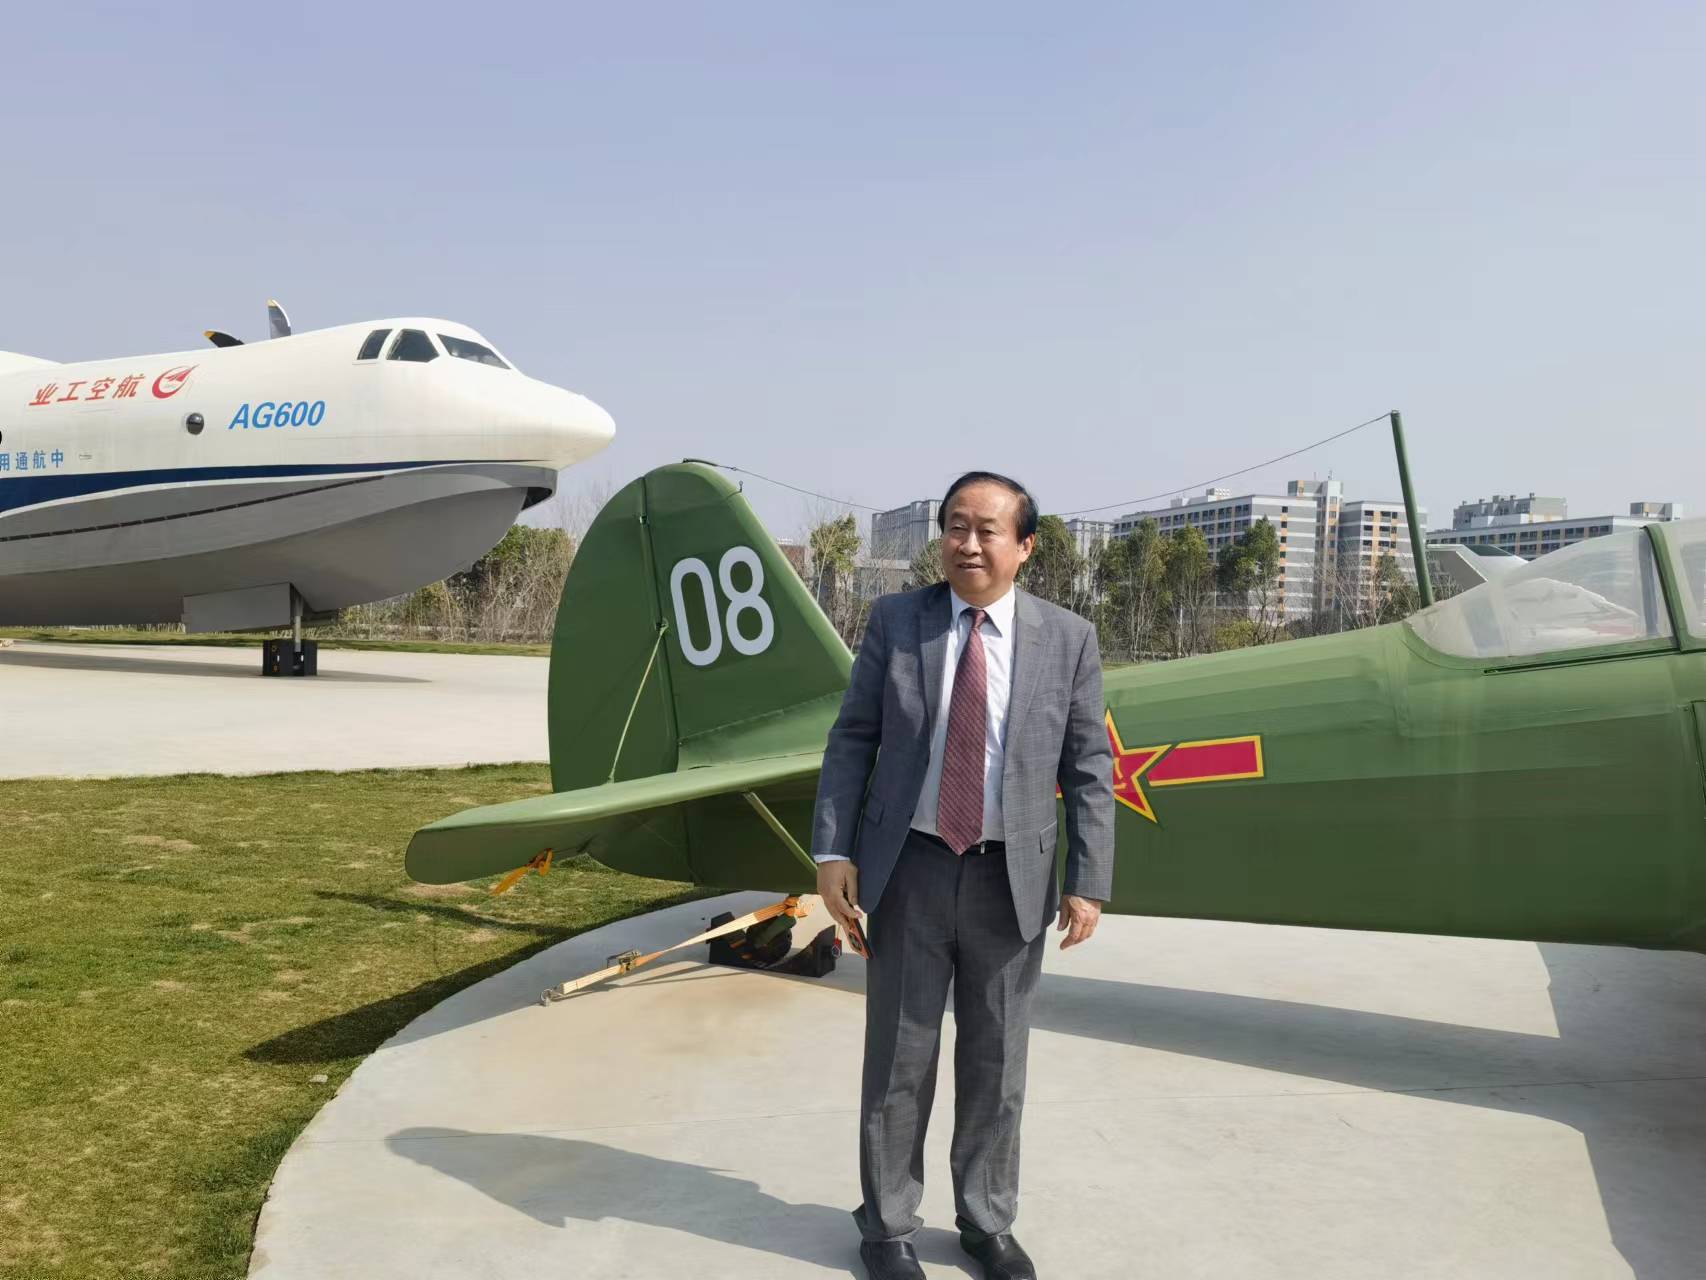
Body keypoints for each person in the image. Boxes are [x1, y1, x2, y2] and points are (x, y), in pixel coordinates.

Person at [811, 471, 1115, 1280]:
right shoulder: (897, 622)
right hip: (909, 870)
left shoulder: (1068, 639)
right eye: (955, 526)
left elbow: (1089, 766)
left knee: (997, 1061)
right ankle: (887, 1228)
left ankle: (985, 1221)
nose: (967, 543)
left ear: (1026, 546)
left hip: (1009, 880)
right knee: (899, 1059)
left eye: (987, 530)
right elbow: (853, 739)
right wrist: (833, 852)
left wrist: (1088, 880)